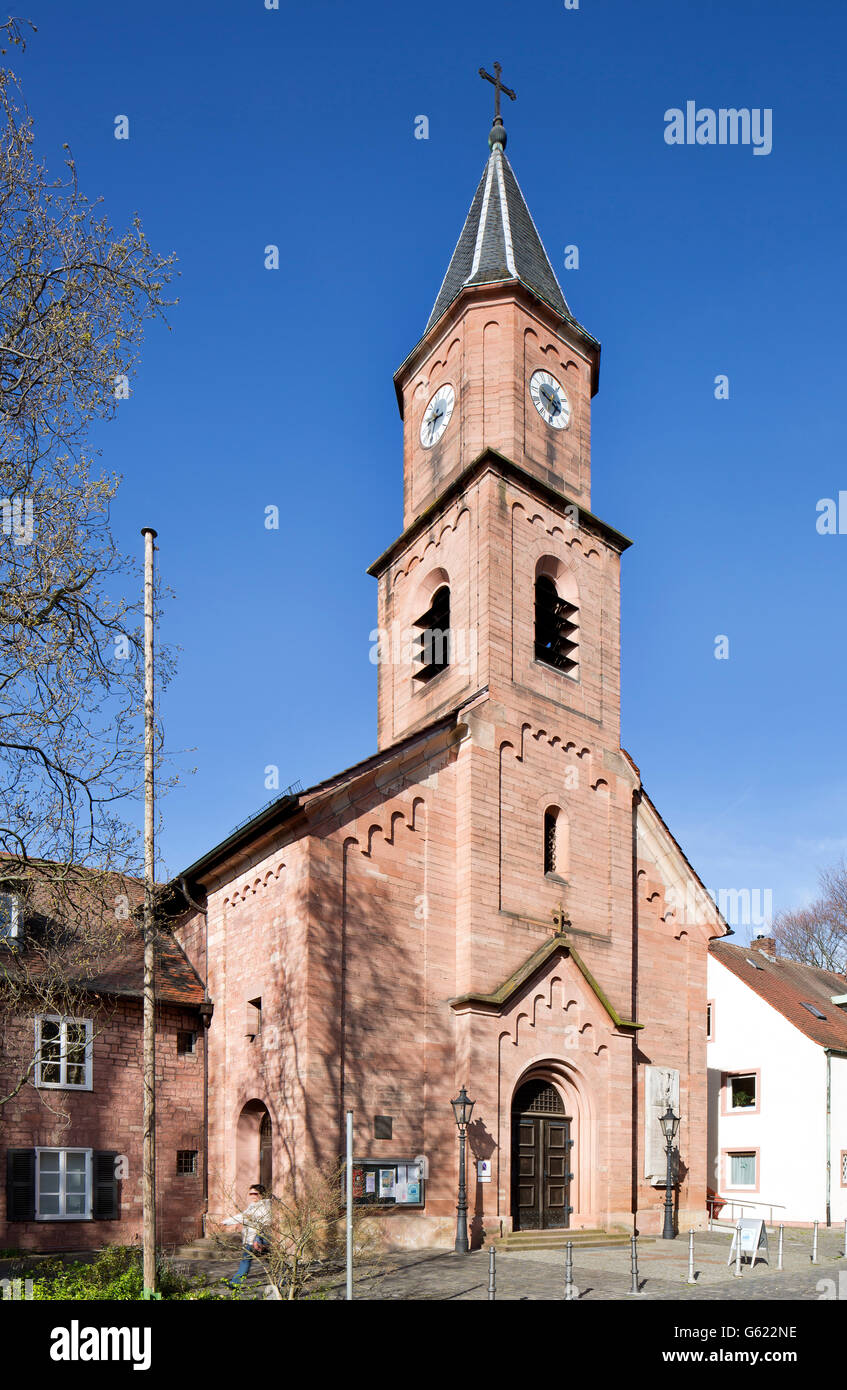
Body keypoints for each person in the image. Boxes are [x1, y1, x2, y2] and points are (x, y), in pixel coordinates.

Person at [223, 1183, 271, 1284]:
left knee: (246, 1260)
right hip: (250, 1238)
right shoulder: (253, 1206)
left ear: (261, 1194)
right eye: (250, 1194)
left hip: (256, 1238)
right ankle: (284, 1278)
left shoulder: (264, 1206)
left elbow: (265, 1223)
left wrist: (257, 1239)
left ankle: (235, 1283)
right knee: (271, 1260)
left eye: (255, 1193)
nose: (253, 1196)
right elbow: (243, 1216)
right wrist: (227, 1222)